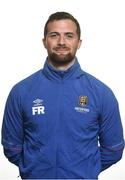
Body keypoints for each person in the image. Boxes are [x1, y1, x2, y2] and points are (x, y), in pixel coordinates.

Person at [1, 11, 124, 179]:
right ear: (44, 41)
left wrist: (84, 170)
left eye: (69, 36)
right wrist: (35, 170)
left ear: (79, 42)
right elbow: (11, 147)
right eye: (54, 35)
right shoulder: (21, 91)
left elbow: (114, 149)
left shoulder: (101, 93)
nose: (61, 42)